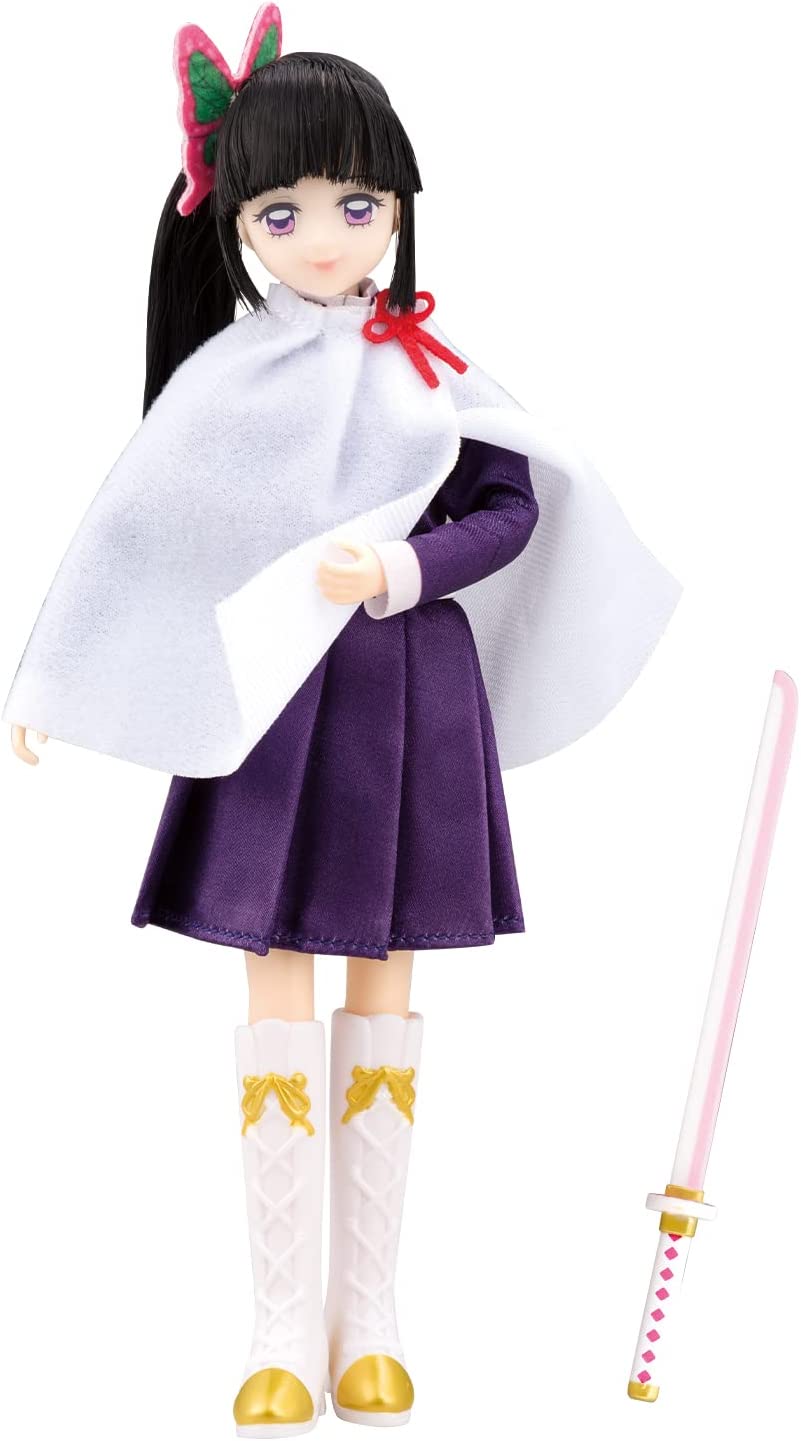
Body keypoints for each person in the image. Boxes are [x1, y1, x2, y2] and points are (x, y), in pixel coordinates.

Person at [5, 6, 679, 1434]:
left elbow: (512, 506)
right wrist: (58, 680)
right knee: (276, 984)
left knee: (383, 983)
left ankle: (366, 1318)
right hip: (271, 713)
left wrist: (402, 567)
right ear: (239, 222)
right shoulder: (226, 381)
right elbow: (138, 534)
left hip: (405, 703)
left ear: (399, 207)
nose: (325, 237)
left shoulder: (432, 370)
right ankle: (275, 1329)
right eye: (286, 212)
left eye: (357, 205)